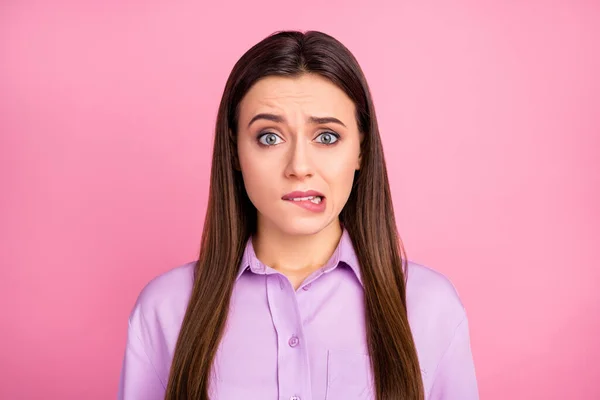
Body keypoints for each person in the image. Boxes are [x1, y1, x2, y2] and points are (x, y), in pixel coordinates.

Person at [117, 30, 479, 400]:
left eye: (326, 137)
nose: (299, 167)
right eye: (270, 137)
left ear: (360, 151)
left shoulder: (430, 306)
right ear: (235, 152)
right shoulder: (166, 308)